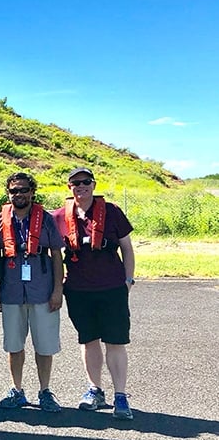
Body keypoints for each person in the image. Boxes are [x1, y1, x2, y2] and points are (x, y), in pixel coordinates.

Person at [52, 168, 136, 420]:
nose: (81, 187)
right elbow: (53, 254)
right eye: (75, 183)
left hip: (112, 288)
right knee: (88, 340)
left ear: (93, 184)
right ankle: (94, 390)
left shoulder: (112, 212)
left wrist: (128, 280)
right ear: (69, 187)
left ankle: (120, 396)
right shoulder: (58, 217)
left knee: (115, 341)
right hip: (78, 290)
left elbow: (127, 249)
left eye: (86, 182)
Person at [0, 172, 64, 412]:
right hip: (10, 290)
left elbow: (56, 255)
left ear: (32, 191)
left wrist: (57, 290)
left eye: (23, 190)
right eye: (14, 191)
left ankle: (45, 391)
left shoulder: (47, 220)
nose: (18, 194)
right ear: (8, 193)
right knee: (14, 344)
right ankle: (16, 389)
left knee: (45, 344)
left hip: (42, 289)